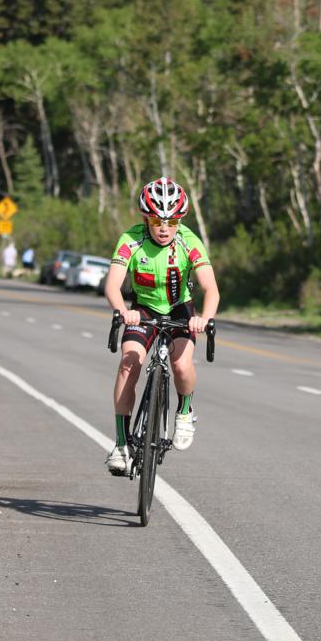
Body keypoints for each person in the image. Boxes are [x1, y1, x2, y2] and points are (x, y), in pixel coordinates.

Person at [103, 176, 219, 475]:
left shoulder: (189, 241)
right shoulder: (131, 239)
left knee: (181, 365)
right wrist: (122, 311)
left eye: (172, 221)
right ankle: (121, 444)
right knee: (128, 364)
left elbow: (210, 288)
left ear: (180, 221)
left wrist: (204, 318)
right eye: (156, 221)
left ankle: (185, 411)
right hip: (143, 310)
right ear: (146, 219)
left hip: (181, 309)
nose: (164, 228)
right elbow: (113, 285)